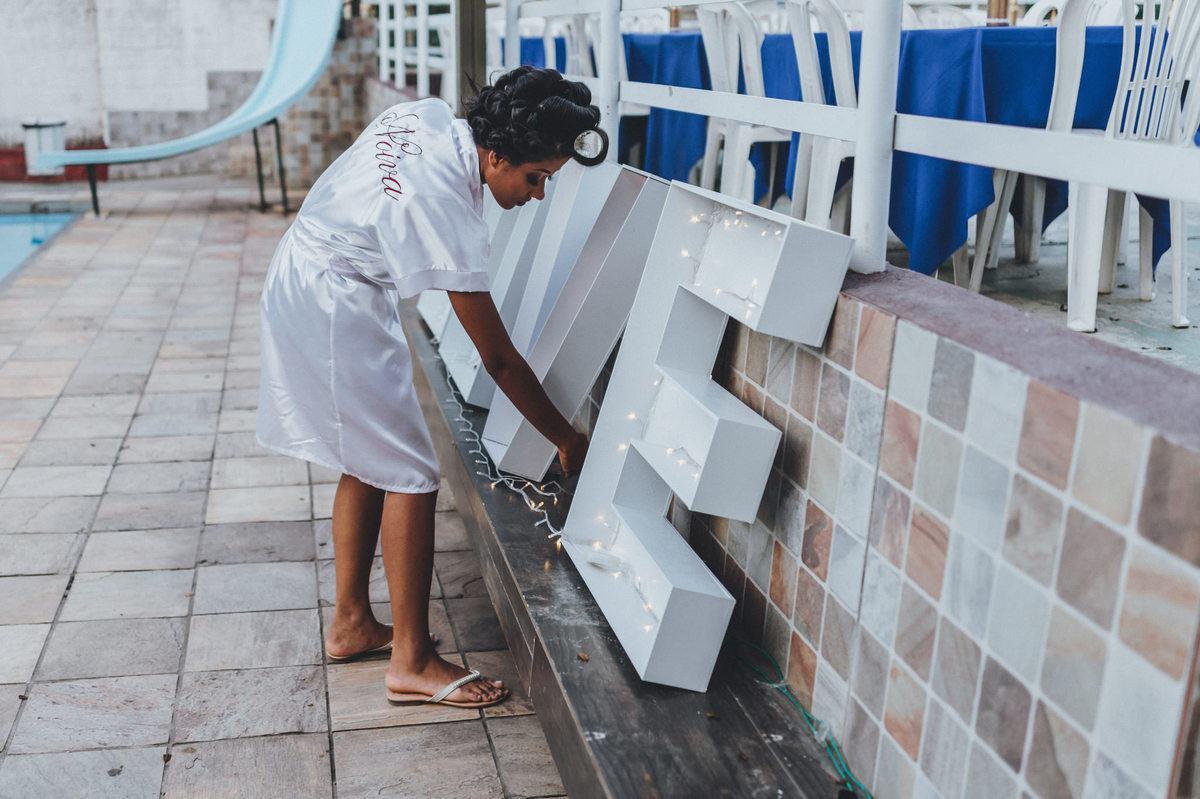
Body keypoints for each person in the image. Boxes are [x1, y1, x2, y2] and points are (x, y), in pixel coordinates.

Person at [256, 66, 604, 708]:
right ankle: (412, 662)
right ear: (496, 155)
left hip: (308, 272)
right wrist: (565, 437)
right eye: (536, 178)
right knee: (412, 473)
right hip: (332, 300)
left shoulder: (430, 117)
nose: (537, 195)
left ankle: (351, 624)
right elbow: (498, 359)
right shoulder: (445, 206)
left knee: (368, 458)